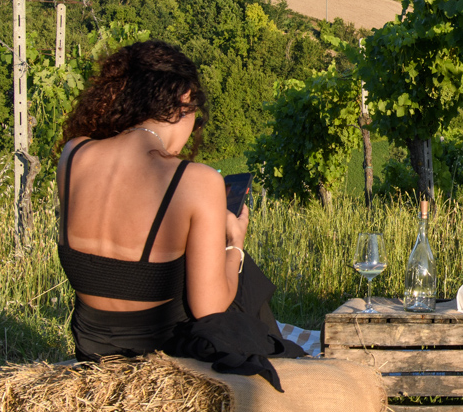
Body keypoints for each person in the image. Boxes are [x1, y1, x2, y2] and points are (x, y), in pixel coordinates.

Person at [56, 40, 305, 387]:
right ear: (185, 99)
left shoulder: (73, 154)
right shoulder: (196, 181)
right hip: (159, 351)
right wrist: (234, 243)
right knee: (243, 276)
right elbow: (210, 309)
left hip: (92, 347)